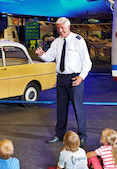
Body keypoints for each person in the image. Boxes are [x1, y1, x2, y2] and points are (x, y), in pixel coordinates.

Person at [36, 17, 92, 145]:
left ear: (68, 27)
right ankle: (59, 134)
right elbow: (49, 57)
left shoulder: (78, 40)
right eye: (58, 28)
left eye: (63, 28)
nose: (60, 30)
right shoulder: (57, 42)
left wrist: (81, 77)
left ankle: (82, 136)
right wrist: (41, 54)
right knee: (61, 109)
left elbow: (87, 62)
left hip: (75, 78)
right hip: (61, 79)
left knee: (78, 109)